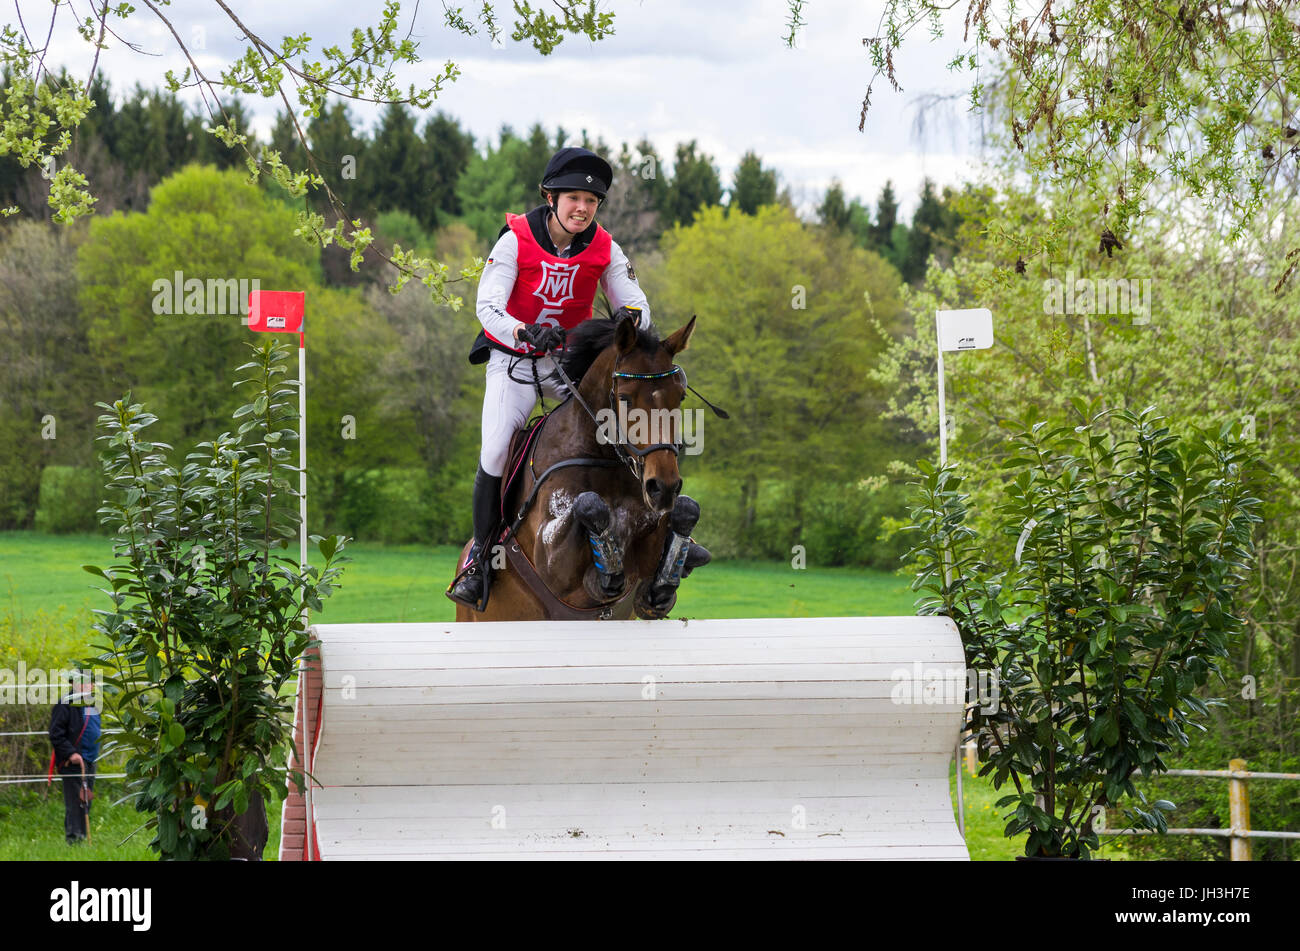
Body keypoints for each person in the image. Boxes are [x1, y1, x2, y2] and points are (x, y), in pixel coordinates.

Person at [447, 146, 652, 609]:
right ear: (550, 196)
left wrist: (629, 326)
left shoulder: (606, 248)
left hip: (568, 369)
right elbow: (487, 307)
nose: (583, 208)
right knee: (497, 447)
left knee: (620, 438)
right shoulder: (515, 239)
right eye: (574, 197)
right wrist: (523, 330)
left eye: (592, 201)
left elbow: (635, 303)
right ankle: (482, 558)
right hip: (514, 363)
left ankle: (654, 530)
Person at [48, 671, 100, 845]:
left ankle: (81, 838)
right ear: (74, 684)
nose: (89, 686)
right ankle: (74, 840)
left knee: (85, 802)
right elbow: (56, 734)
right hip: (73, 762)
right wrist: (71, 753)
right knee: (75, 804)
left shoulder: (93, 703)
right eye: (85, 683)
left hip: (90, 761)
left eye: (91, 683)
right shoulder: (64, 704)